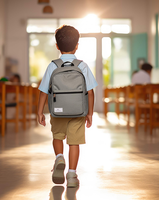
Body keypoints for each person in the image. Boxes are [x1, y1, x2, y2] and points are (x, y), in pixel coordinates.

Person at [37, 25, 98, 188]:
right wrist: (90, 113)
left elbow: (43, 91)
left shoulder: (53, 65)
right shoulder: (82, 66)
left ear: (57, 46)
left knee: (57, 137)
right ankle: (72, 175)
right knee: (74, 143)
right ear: (77, 45)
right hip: (78, 112)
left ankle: (59, 157)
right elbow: (90, 92)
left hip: (57, 111)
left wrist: (40, 112)